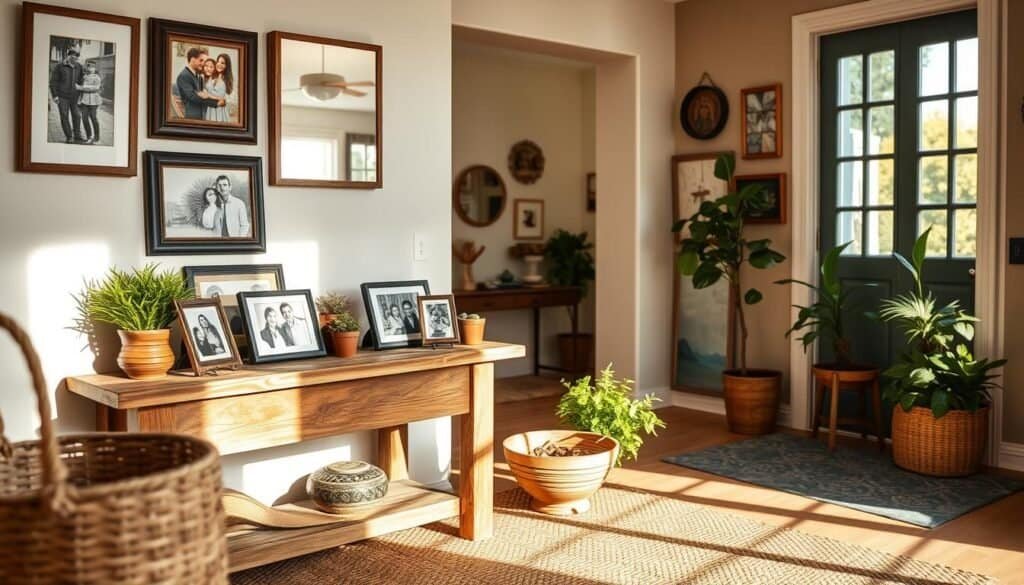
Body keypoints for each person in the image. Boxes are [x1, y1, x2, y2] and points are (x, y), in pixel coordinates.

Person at [175, 47, 224, 120]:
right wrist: (215, 103)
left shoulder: (198, 76)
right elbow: (193, 97)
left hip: (202, 116)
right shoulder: (184, 76)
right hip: (192, 118)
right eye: (201, 60)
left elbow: (204, 94)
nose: (203, 64)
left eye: (205, 61)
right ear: (192, 60)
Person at [50, 48, 85, 144]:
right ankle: (69, 136)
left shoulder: (79, 66)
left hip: (75, 97)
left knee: (77, 116)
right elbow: (53, 82)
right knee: (64, 116)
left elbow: (81, 80)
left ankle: (77, 135)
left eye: (77, 56)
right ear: (68, 56)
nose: (75, 58)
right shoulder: (60, 66)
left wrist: (80, 94)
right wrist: (55, 95)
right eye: (73, 56)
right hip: (62, 96)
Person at [76, 61, 102, 144]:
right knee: (84, 119)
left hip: (94, 101)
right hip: (85, 101)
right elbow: (80, 88)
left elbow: (95, 88)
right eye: (89, 66)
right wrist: (79, 99)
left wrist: (82, 87)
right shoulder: (84, 77)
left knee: (94, 119)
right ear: (87, 67)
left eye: (92, 67)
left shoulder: (97, 77)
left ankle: (97, 138)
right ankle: (89, 136)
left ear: (95, 68)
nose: (90, 68)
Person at [203, 54, 233, 123]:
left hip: (219, 111)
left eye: (222, 63)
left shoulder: (226, 79)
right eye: (218, 61)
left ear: (226, 66)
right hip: (210, 109)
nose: (219, 64)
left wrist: (208, 95)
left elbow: (223, 99)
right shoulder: (213, 75)